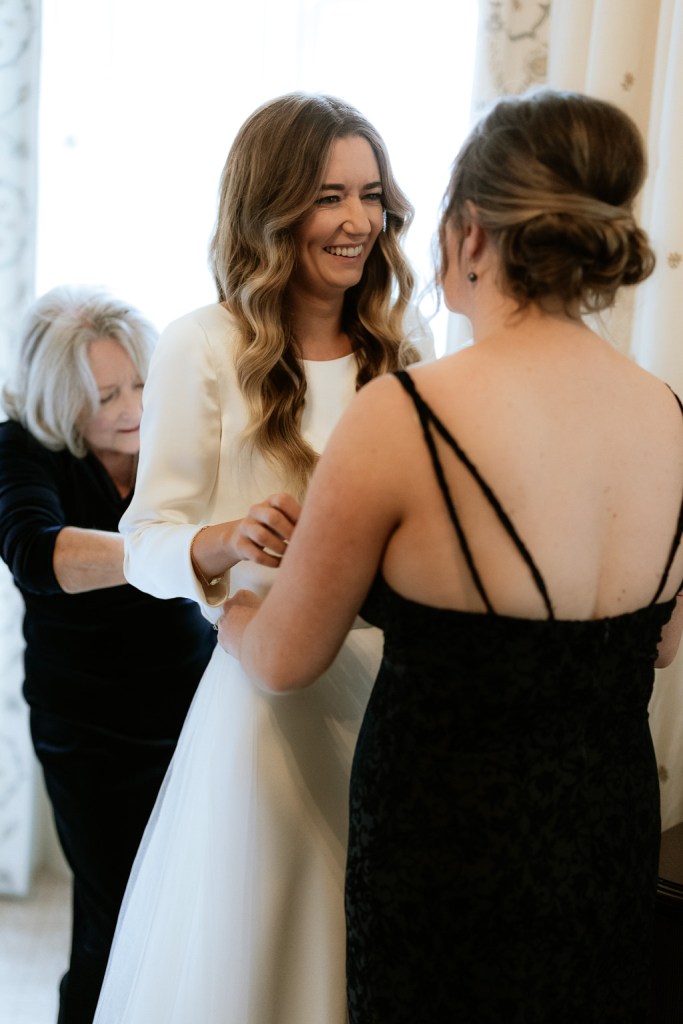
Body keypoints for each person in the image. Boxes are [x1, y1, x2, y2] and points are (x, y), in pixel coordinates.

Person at [220, 89, 683, 1022]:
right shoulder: (668, 416)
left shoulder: (408, 415)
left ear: (471, 234)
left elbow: (283, 659)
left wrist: (226, 608)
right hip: (606, 837)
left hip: (444, 859)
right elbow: (661, 646)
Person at [92, 93, 432, 1024]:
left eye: (370, 195)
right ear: (272, 208)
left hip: (385, 691)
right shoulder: (202, 345)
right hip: (263, 691)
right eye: (329, 196)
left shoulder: (403, 351)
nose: (358, 221)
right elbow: (143, 538)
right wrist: (222, 542)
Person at [0, 285, 215, 1024]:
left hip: (191, 703)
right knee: (112, 920)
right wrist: (171, 553)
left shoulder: (171, 437)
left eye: (142, 383)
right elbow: (35, 553)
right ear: (61, 402)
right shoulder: (21, 449)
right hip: (88, 731)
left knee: (182, 917)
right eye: (106, 395)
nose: (132, 407)